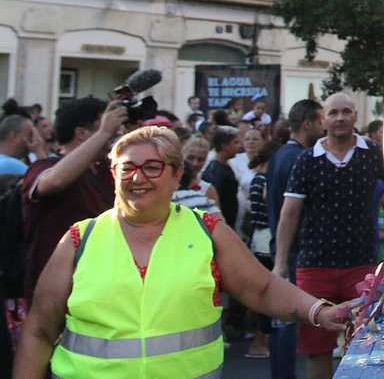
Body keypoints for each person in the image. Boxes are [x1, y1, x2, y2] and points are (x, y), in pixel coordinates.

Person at [14, 126, 355, 379]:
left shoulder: (206, 232)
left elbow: (262, 287)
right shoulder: (79, 239)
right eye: (127, 168)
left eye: (152, 167)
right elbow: (39, 331)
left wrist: (318, 311)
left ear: (177, 175)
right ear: (113, 174)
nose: (137, 177)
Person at [273, 94, 383, 379]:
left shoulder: (373, 153)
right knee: (316, 348)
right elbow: (289, 214)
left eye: (347, 111)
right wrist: (280, 262)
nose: (341, 118)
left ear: (356, 116)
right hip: (314, 266)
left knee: (366, 345)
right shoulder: (306, 160)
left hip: (361, 266)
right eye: (334, 113)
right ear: (324, 120)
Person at [19, 98, 125, 302]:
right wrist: (103, 133)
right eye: (104, 127)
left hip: (103, 284)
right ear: (81, 133)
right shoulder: (43, 167)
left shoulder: (107, 169)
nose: (112, 134)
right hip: (55, 288)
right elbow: (54, 182)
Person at [265, 98, 322, 379]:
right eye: (321, 121)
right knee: (292, 317)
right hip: (296, 250)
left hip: (283, 246)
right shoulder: (300, 158)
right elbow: (292, 211)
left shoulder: (278, 155)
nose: (324, 128)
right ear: (308, 123)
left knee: (283, 319)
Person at [240, 139, 279, 358]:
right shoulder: (265, 181)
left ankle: (261, 340)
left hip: (258, 237)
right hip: (266, 239)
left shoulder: (256, 179)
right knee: (267, 292)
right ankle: (259, 341)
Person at [200, 125, 240, 228]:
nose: (239, 146)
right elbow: (213, 200)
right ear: (224, 146)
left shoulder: (226, 166)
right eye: (235, 143)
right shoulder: (216, 171)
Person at [174, 135, 222, 216]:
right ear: (182, 156)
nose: (194, 163)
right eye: (190, 158)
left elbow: (217, 220)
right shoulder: (169, 183)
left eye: (200, 160)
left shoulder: (208, 189)